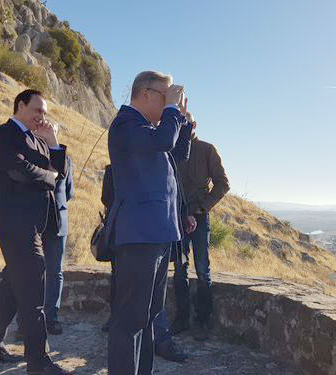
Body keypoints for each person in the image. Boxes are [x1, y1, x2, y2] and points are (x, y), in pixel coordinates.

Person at [0, 89, 73, 375]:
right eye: (37, 110)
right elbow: (19, 171)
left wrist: (53, 142)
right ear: (21, 105)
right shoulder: (2, 134)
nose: (42, 116)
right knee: (33, 291)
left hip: (39, 224)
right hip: (15, 223)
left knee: (11, 286)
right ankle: (39, 362)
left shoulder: (38, 139)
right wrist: (50, 175)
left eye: (44, 112)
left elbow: (61, 173)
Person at [106, 71, 191, 375]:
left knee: (150, 315)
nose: (170, 101)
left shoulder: (149, 129)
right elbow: (162, 141)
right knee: (130, 319)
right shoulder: (126, 124)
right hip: (139, 234)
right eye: (165, 95)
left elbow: (176, 151)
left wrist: (182, 121)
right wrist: (171, 114)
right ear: (145, 93)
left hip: (157, 233)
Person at [171, 114, 230, 341]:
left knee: (203, 270)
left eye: (185, 123)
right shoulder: (171, 151)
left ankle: (204, 321)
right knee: (179, 269)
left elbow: (223, 184)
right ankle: (182, 319)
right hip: (177, 218)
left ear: (193, 125)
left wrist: (202, 209)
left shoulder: (207, 149)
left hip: (200, 218)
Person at [17, 128, 74, 339]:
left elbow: (68, 192)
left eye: (53, 131)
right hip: (33, 222)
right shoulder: (29, 156)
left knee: (55, 271)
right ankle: (26, 321)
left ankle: (52, 317)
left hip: (57, 222)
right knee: (29, 271)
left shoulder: (65, 159)